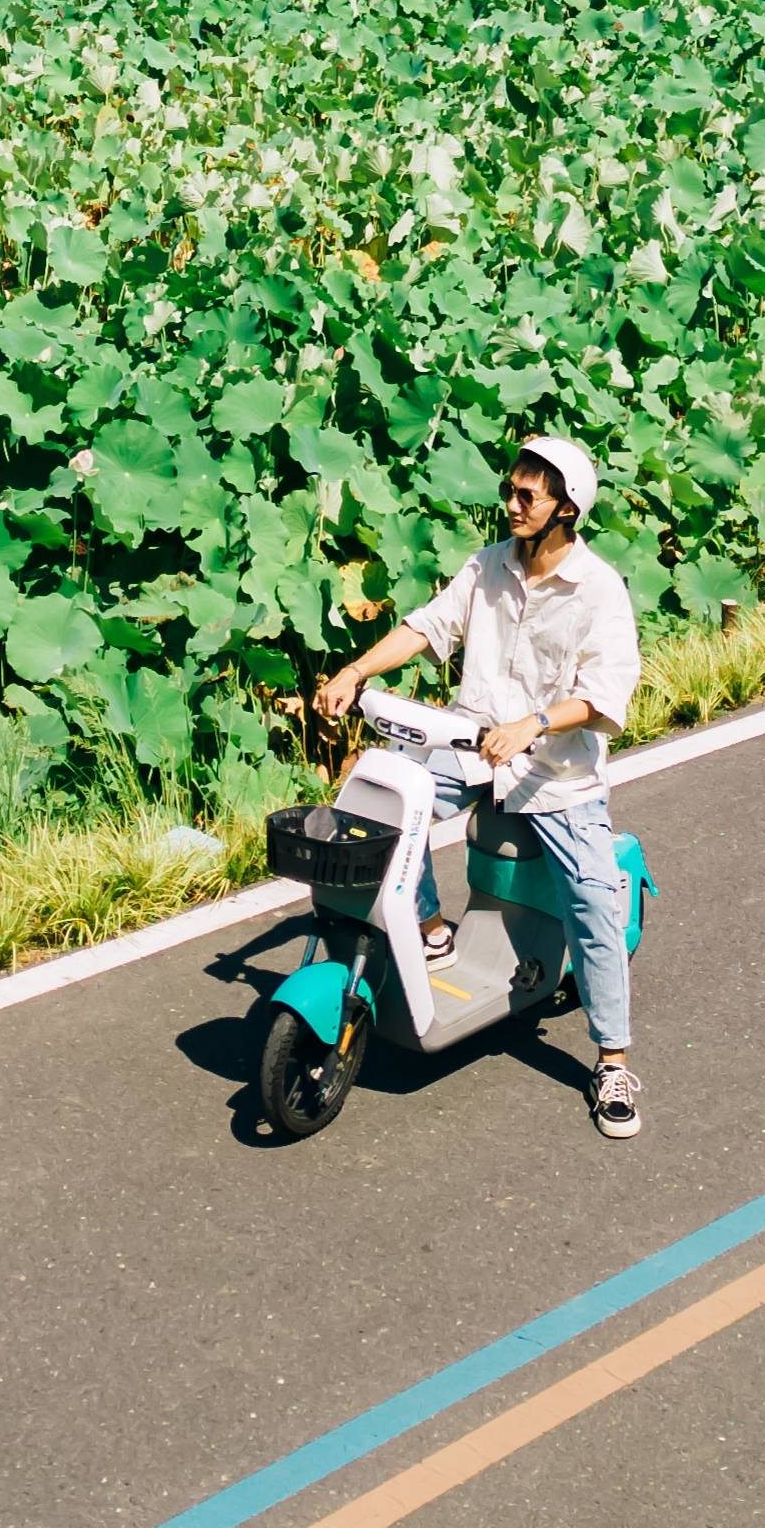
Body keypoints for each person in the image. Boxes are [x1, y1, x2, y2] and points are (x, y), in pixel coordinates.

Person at [316, 433, 644, 1142]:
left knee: (592, 899)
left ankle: (612, 1059)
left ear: (566, 508)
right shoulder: (488, 567)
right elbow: (425, 627)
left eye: (529, 495)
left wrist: (532, 724)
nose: (512, 504)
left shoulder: (599, 591)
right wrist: (354, 672)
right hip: (466, 750)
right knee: (378, 804)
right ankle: (431, 930)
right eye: (510, 490)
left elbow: (603, 696)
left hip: (555, 776)